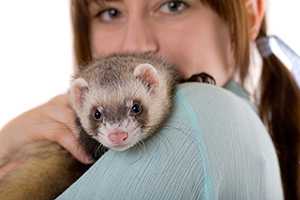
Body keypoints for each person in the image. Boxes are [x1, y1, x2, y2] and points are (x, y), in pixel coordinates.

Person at [0, 0, 299, 199]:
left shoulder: (206, 112)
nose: (136, 44)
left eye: (173, 4)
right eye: (111, 12)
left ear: (249, 15)